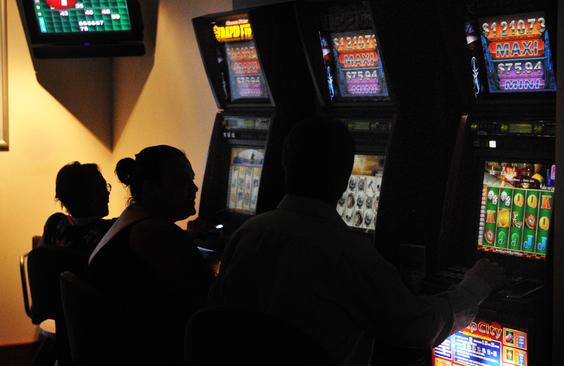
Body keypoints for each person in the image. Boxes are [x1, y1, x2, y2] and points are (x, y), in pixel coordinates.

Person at [210, 117, 505, 366]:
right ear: (344, 177)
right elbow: (417, 327)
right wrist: (475, 287)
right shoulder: (347, 253)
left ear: (285, 166)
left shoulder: (248, 234)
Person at [88, 145, 214, 365]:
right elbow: (208, 299)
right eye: (182, 182)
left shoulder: (132, 220)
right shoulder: (154, 233)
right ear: (151, 188)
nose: (194, 189)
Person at [39, 162, 115, 258]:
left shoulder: (54, 224)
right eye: (102, 188)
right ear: (86, 196)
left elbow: (36, 261)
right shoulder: (110, 230)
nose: (107, 193)